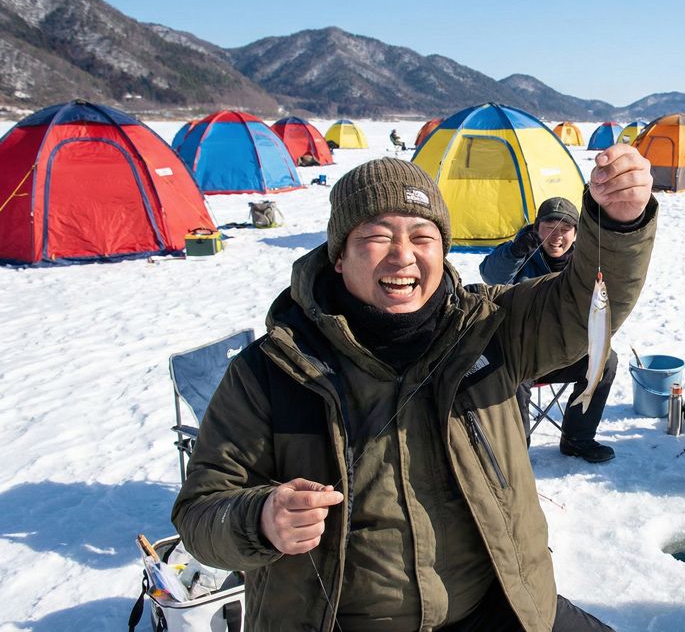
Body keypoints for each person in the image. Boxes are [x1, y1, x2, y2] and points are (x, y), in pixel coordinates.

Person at [172, 147, 655, 632]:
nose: (403, 255)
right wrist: (260, 519)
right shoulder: (273, 370)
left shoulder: (492, 327)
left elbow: (584, 301)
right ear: (338, 257)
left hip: (504, 606)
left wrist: (617, 223)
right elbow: (199, 511)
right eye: (378, 236)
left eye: (423, 236)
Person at [479, 197, 618, 463]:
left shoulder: (586, 263)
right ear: (536, 228)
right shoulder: (520, 253)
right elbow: (490, 275)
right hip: (523, 353)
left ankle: (577, 438)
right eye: (549, 226)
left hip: (565, 351)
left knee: (607, 361)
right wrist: (516, 250)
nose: (556, 235)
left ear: (576, 233)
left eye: (565, 228)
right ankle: (517, 450)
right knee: (512, 375)